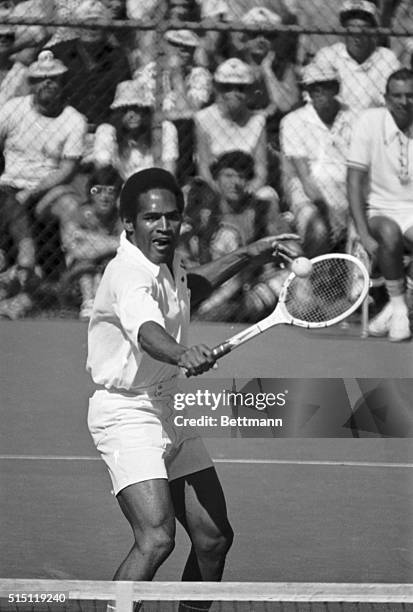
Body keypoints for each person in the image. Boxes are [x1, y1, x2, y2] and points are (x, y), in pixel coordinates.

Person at [86, 167, 299, 611]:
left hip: (168, 406)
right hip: (127, 414)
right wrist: (180, 354)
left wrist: (251, 253)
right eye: (151, 218)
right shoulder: (128, 273)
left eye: (172, 217)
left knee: (213, 538)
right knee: (155, 539)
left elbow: (193, 285)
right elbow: (146, 330)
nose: (164, 227)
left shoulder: (167, 263)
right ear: (128, 222)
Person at [0, 50, 87, 288]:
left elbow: (67, 170)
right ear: (31, 83)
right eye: (40, 78)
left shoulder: (73, 120)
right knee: (6, 197)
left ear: (63, 82)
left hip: (49, 188)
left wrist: (32, 192)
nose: (47, 82)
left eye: (54, 77)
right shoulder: (12, 109)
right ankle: (22, 265)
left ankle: (78, 276)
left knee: (69, 205)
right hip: (8, 183)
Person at [180, 151, 289, 322]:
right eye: (229, 175)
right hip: (208, 282)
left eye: (242, 176)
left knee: (293, 281)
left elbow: (290, 246)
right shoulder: (201, 210)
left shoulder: (262, 208)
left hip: (251, 284)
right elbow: (184, 248)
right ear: (216, 177)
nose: (236, 183)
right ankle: (208, 311)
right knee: (228, 238)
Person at [347, 68, 413, 342]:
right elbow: (352, 183)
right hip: (378, 211)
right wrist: (362, 233)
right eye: (397, 95)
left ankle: (398, 307)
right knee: (389, 233)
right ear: (386, 99)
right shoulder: (368, 122)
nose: (404, 101)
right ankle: (399, 309)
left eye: (410, 95)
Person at [280, 62, 355, 256]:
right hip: (310, 196)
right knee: (319, 230)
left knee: (360, 234)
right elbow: (305, 178)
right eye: (313, 87)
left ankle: (357, 285)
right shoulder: (292, 121)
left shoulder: (356, 119)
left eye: (325, 86)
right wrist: (330, 212)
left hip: (350, 193)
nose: (319, 92)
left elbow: (361, 172)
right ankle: (314, 281)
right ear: (307, 91)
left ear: (336, 88)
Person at [45, 0, 132, 127]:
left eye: (98, 23)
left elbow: (125, 101)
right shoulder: (59, 53)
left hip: (106, 128)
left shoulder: (118, 57)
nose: (92, 27)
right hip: (64, 126)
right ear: (78, 26)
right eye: (87, 22)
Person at [313, 0, 400, 114]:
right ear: (344, 30)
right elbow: (314, 100)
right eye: (352, 28)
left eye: (364, 28)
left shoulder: (386, 58)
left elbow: (392, 105)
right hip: (336, 124)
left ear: (373, 32)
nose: (357, 34)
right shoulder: (328, 56)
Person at [195, 58, 268, 193]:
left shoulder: (258, 121)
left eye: (240, 88)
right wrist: (221, 192)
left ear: (248, 91)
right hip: (216, 187)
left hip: (247, 186)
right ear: (218, 89)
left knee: (267, 195)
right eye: (227, 87)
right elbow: (204, 169)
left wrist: (248, 191)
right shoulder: (203, 118)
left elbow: (261, 173)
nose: (234, 93)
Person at [64, 166, 123, 320]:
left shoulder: (121, 218)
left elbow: (128, 247)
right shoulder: (80, 213)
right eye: (98, 191)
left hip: (108, 272)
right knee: (83, 262)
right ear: (90, 193)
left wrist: (88, 238)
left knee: (112, 262)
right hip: (78, 277)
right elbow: (74, 250)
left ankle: (103, 301)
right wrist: (113, 243)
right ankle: (89, 302)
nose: (104, 197)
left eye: (111, 191)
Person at [92, 79, 179, 180]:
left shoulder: (164, 130)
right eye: (124, 109)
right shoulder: (108, 132)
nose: (131, 115)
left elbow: (170, 173)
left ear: (145, 109)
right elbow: (102, 172)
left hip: (158, 187)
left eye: (136, 108)